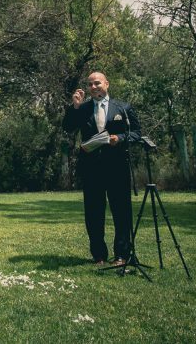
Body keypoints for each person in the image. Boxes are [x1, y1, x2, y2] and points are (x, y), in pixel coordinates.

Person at [62, 72, 141, 267]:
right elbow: (68, 127)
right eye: (90, 84)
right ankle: (99, 256)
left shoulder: (123, 108)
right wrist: (74, 107)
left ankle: (122, 255)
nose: (93, 87)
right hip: (91, 169)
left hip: (117, 168)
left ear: (107, 83)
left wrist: (119, 139)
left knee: (121, 212)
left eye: (97, 83)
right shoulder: (83, 108)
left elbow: (137, 133)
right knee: (94, 213)